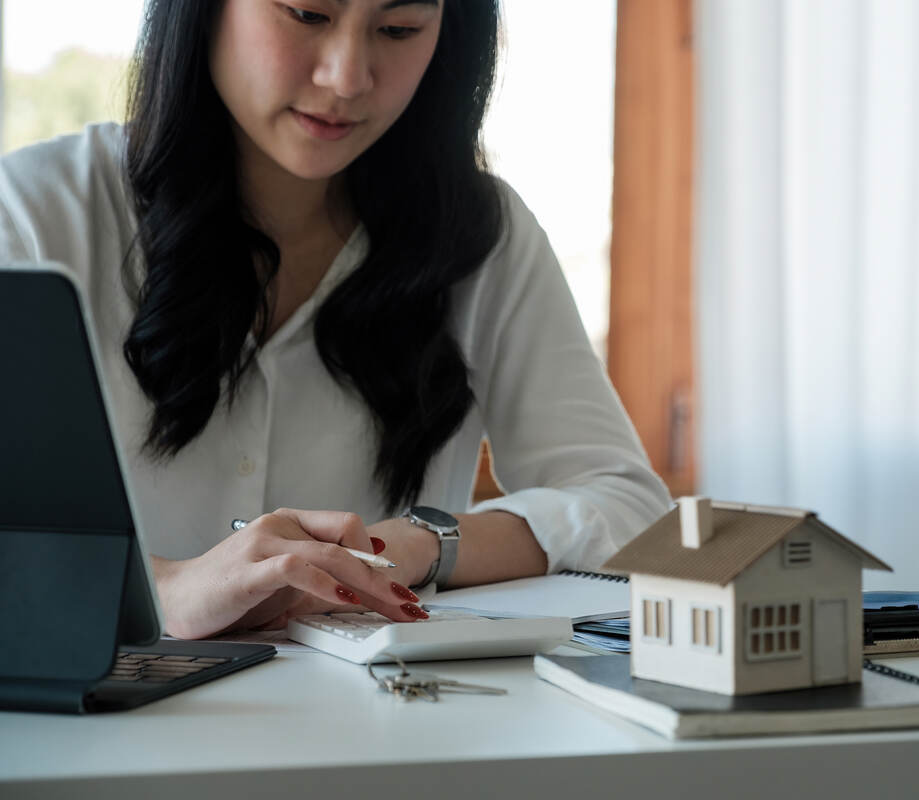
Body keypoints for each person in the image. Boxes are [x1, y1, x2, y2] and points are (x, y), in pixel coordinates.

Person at [0, 0, 670, 639]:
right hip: (89, 742)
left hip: (383, 737)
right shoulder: (33, 215)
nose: (347, 77)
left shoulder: (482, 237)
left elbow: (628, 507)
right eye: (307, 15)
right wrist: (166, 588)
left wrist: (410, 545)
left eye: (401, 28)